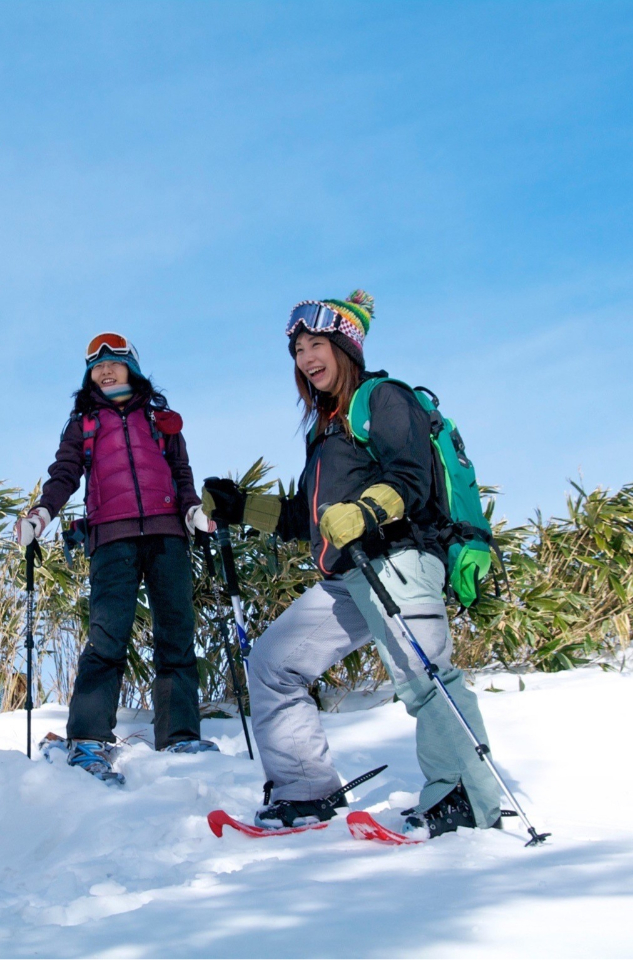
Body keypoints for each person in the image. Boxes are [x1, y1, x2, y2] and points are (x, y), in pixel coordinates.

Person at [201, 291, 502, 836]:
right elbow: (307, 519)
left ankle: (463, 799)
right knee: (273, 663)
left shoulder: (381, 397)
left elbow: (412, 476)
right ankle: (304, 791)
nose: (306, 358)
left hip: (400, 560)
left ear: (345, 346)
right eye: (296, 349)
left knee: (424, 675)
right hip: (349, 576)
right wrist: (241, 505)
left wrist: (366, 510)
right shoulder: (325, 428)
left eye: (317, 344)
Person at [18, 332, 218, 785]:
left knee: (176, 634)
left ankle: (180, 735)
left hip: (169, 534)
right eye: (97, 366)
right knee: (107, 638)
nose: (105, 371)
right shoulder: (84, 424)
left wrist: (192, 510)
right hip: (111, 537)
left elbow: (181, 473)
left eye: (115, 363)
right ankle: (88, 737)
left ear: (132, 367)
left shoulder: (161, 419)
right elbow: (64, 474)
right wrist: (41, 513)